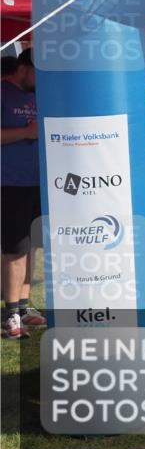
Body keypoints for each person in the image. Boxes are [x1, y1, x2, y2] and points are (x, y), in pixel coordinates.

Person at [1, 50, 46, 338]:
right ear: (23, 68)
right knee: (15, 249)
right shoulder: (3, 92)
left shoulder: (36, 94)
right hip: (9, 182)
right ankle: (11, 314)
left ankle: (25, 308)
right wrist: (26, 133)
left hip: (37, 182)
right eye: (37, 73)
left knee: (31, 247)